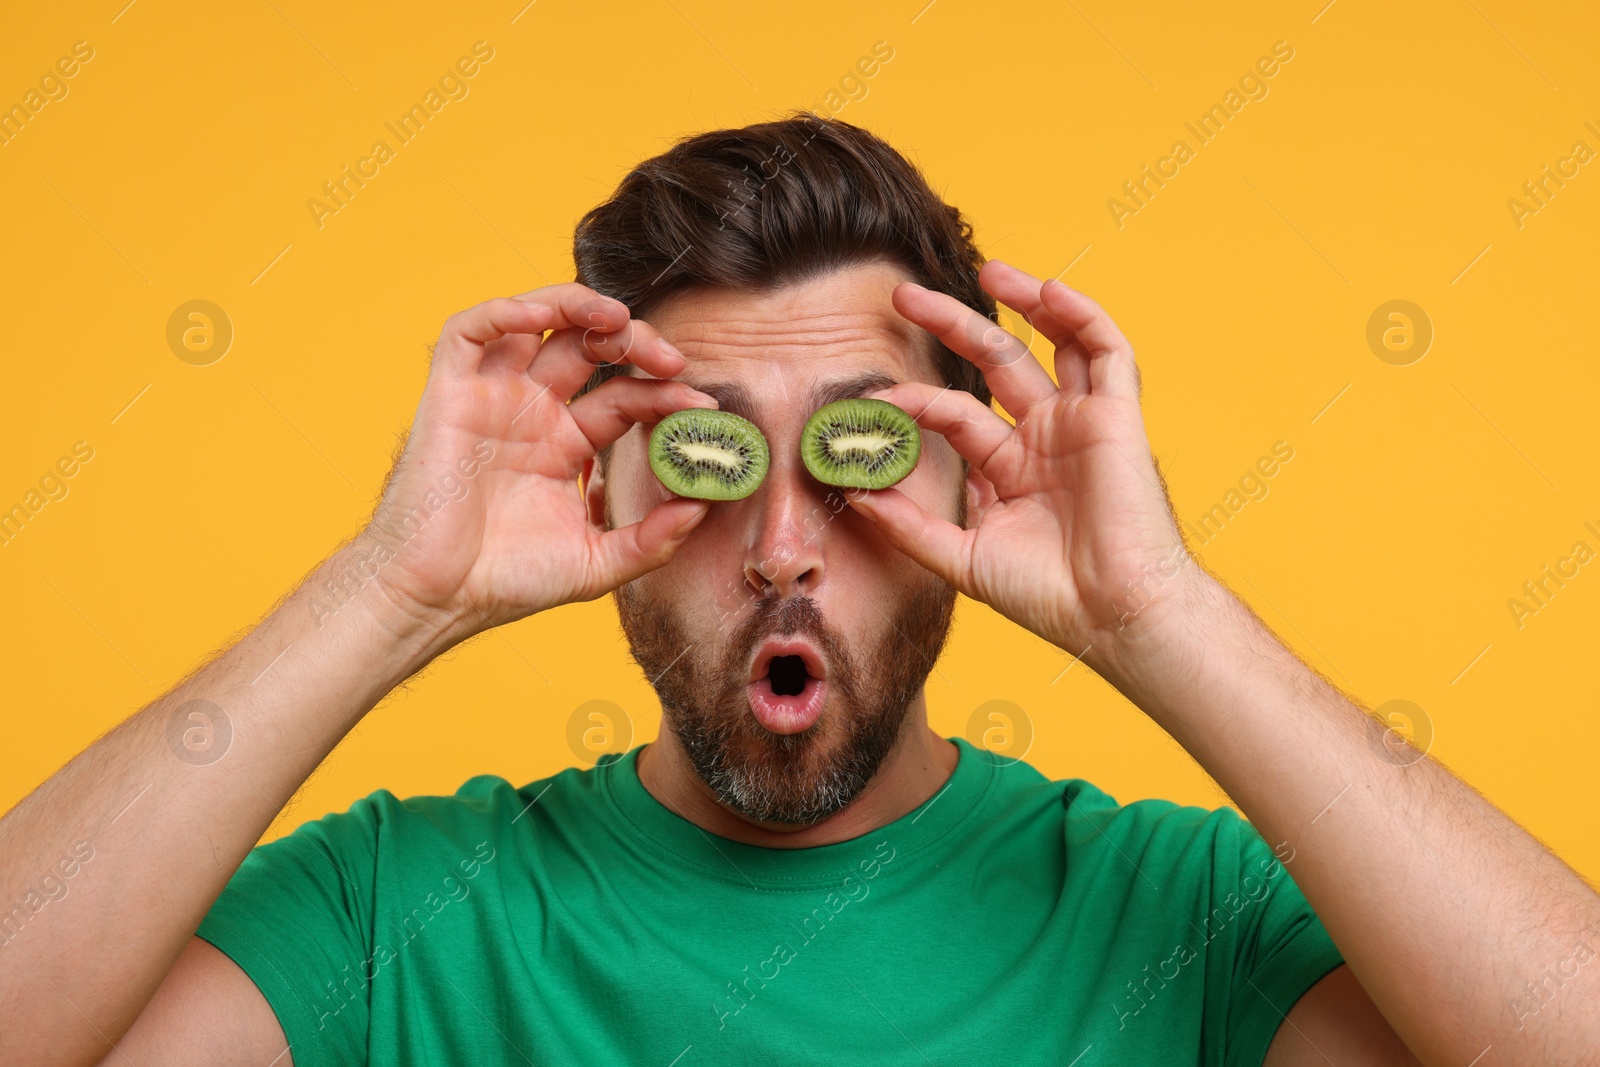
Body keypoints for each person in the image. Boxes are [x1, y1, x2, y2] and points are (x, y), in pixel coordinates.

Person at [2, 114, 1596, 1067]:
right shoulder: (392, 920)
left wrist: (1161, 616)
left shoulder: (1179, 925)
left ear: (976, 482)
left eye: (859, 456)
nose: (778, 541)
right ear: (609, 474)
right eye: (705, 452)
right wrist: (389, 589)